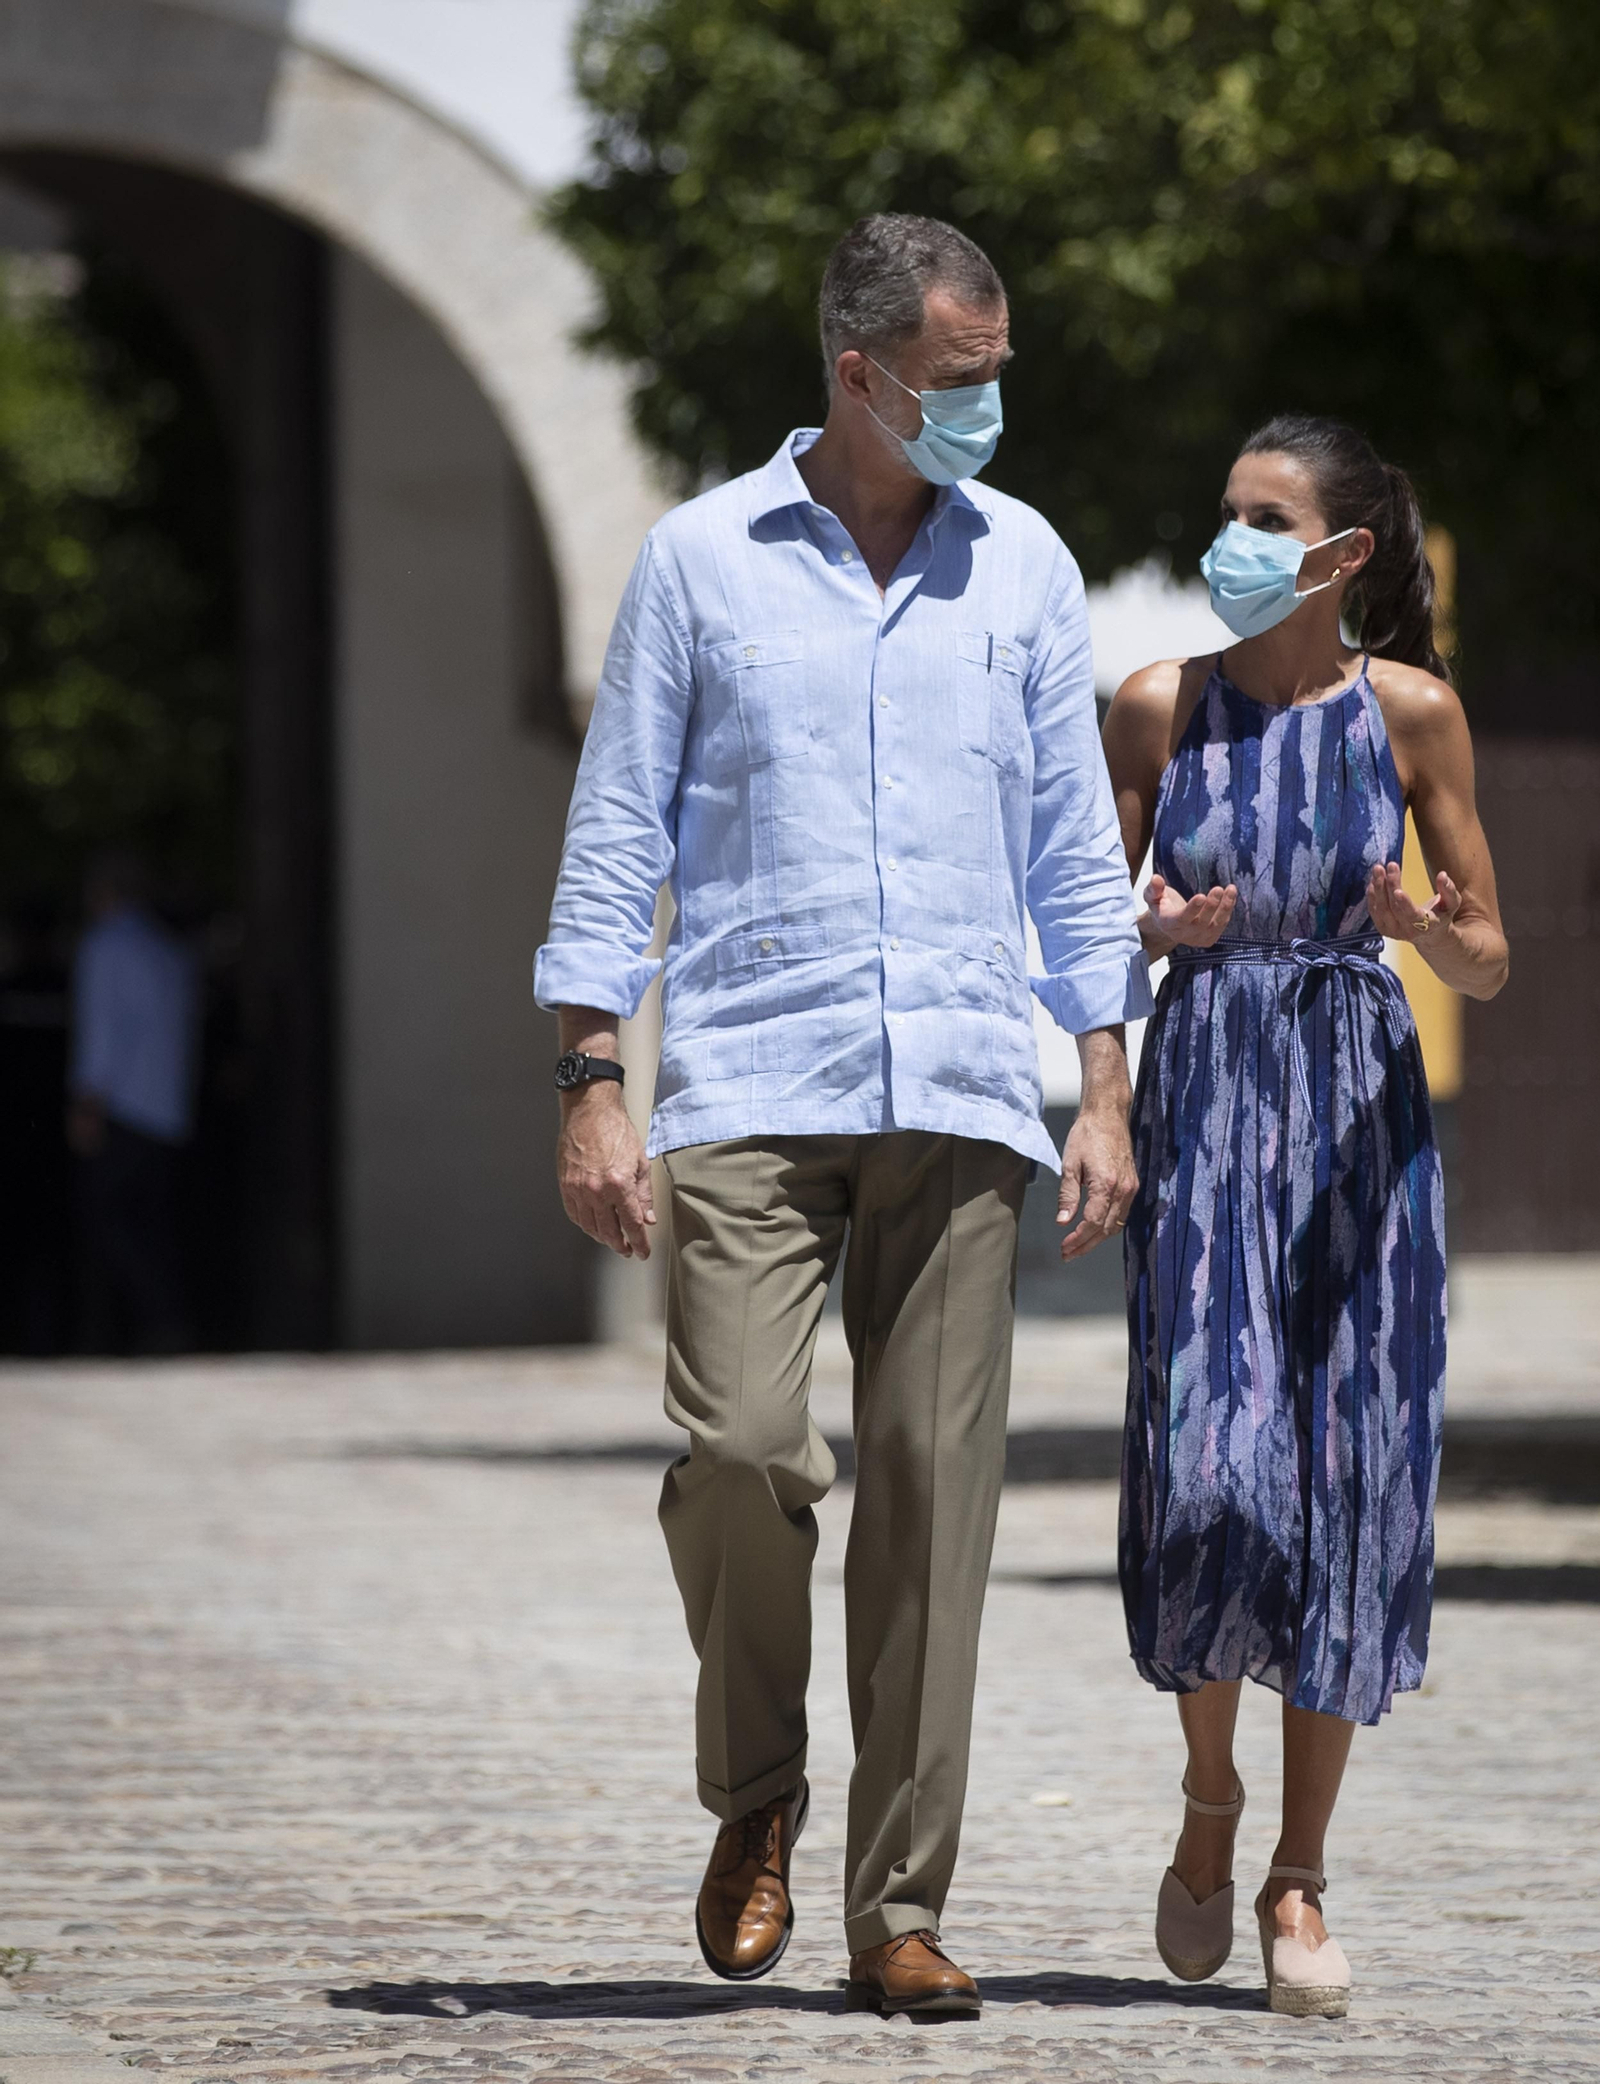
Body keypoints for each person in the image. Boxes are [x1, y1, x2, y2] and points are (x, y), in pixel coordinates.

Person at [535, 213, 1150, 2017]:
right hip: (746, 1078)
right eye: (964, 380)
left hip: (966, 1081)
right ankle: (760, 1787)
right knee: (740, 1449)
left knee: (936, 1500)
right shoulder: (700, 559)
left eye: (999, 374)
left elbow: (1070, 851)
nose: (990, 408)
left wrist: (1102, 1076)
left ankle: (899, 1901)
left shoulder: (1024, 569)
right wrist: (593, 1075)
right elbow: (617, 825)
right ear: (861, 370)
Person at [1102, 414, 1509, 2017]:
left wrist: (1420, 921)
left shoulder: (1415, 716)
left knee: (1348, 1478)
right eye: (1228, 512)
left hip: (1358, 1124)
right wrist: (1150, 932)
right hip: (1206, 1105)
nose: (1236, 539)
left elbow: (1491, 960)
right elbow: (1081, 937)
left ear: (1341, 556)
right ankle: (1212, 1798)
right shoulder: (1159, 704)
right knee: (1214, 1468)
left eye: (1268, 518)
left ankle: (1299, 1875)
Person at [68, 852, 200, 1354]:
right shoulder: (167, 949)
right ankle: (161, 1322)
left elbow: (101, 1034)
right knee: (152, 1225)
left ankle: (153, 1321)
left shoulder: (106, 947)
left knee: (107, 1222)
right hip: (166, 1108)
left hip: (124, 1105)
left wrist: (86, 1102)